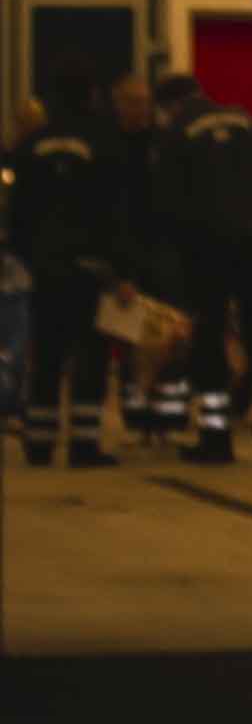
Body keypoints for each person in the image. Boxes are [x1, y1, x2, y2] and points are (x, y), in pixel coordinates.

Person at [151, 71, 252, 462]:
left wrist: (175, 269)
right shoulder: (245, 120)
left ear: (170, 105)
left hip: (208, 250)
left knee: (209, 339)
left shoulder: (177, 130)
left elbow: (169, 202)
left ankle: (216, 437)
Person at [5, 69, 129, 467]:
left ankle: (39, 443)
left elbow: (18, 211)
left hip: (44, 268)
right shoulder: (103, 143)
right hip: (89, 268)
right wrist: (119, 267)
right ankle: (83, 444)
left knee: (48, 355)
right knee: (90, 356)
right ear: (91, 95)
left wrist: (28, 257)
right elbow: (116, 210)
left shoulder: (32, 146)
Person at [107, 73, 186, 441]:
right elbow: (110, 213)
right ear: (118, 103)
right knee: (131, 344)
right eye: (131, 101)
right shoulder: (110, 147)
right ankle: (137, 418)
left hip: (163, 257)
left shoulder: (164, 144)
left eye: (144, 101)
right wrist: (119, 270)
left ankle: (168, 420)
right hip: (128, 259)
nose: (139, 109)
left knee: (167, 341)